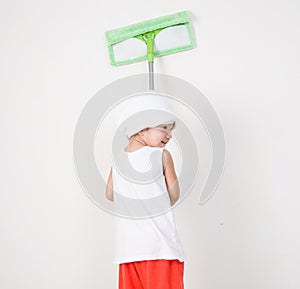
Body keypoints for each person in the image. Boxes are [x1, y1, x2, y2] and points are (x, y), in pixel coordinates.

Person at [105, 94, 185, 289]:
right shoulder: (161, 155)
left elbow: (109, 194)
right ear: (141, 129)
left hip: (129, 251)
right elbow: (174, 195)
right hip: (160, 249)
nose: (169, 135)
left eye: (171, 128)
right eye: (164, 127)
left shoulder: (118, 161)